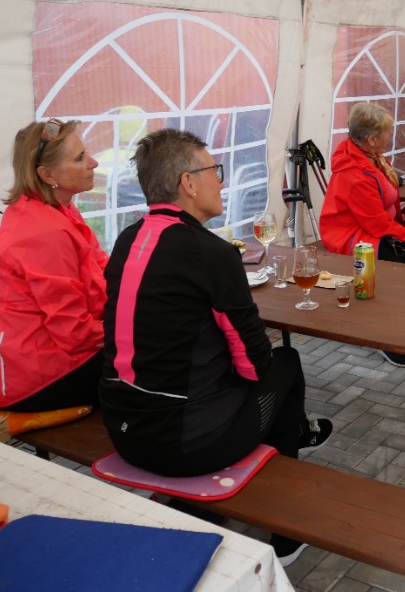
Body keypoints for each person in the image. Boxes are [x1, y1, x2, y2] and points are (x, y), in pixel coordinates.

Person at [99, 128, 332, 566]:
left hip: (124, 430)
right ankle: (284, 526)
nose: (221, 183)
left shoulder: (127, 240)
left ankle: (209, 505)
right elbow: (254, 365)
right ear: (188, 183)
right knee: (285, 364)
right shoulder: (211, 252)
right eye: (214, 171)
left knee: (231, 378)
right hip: (191, 445)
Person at [0, 118, 107, 411]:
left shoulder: (56, 208)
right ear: (47, 174)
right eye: (80, 158)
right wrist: (132, 326)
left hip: (44, 360)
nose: (94, 163)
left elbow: (100, 267)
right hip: (34, 380)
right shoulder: (44, 231)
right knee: (157, 358)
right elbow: (74, 333)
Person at [320, 102, 405, 367]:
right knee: (401, 265)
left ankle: (395, 323)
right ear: (371, 139)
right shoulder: (356, 172)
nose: (391, 135)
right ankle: (380, 335)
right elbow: (377, 224)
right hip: (349, 234)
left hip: (366, 227)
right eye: (388, 131)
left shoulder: (369, 157)